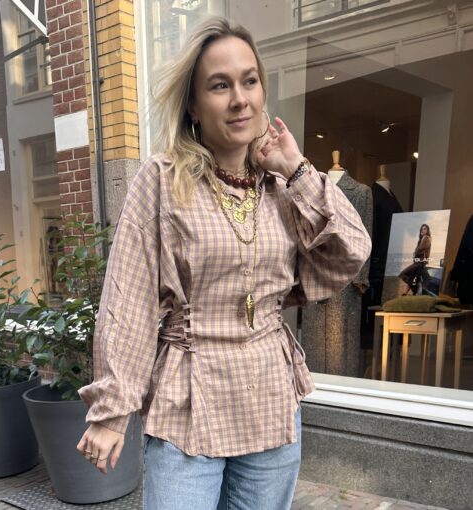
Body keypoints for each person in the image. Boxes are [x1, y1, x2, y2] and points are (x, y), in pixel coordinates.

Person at [76, 17, 371, 510]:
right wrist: (111, 412)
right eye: (220, 85)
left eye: (249, 81)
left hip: (271, 401)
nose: (240, 99)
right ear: (193, 104)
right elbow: (128, 301)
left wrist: (295, 169)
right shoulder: (163, 180)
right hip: (189, 403)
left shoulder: (283, 185)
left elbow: (351, 252)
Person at [398, 223, 432, 295]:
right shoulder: (422, 239)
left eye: (425, 229)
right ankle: (405, 293)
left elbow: (420, 249)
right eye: (422, 229)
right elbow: (419, 250)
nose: (423, 230)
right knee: (411, 277)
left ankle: (414, 289)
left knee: (403, 274)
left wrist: (415, 252)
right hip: (417, 262)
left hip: (420, 263)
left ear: (427, 230)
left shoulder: (427, 238)